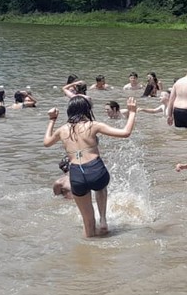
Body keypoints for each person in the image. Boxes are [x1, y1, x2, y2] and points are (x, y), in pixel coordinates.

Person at [44, 95, 138, 238]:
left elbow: (47, 143)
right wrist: (132, 112)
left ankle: (88, 253)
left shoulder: (62, 130)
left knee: (87, 222)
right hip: (96, 169)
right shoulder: (93, 125)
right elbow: (125, 133)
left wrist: (52, 120)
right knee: (100, 188)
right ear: (87, 110)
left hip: (76, 173)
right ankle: (103, 219)